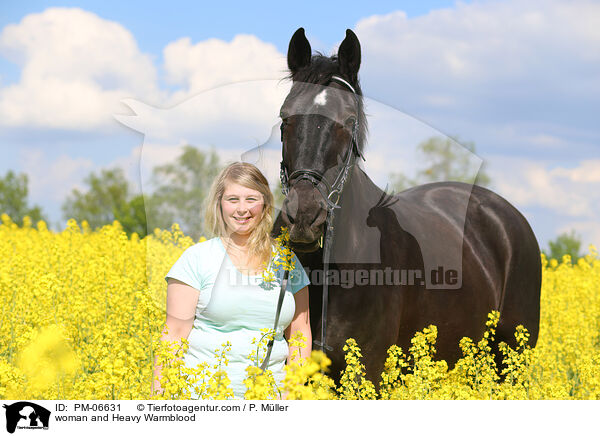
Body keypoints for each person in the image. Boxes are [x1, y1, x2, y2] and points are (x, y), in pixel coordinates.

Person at [152, 162, 311, 399]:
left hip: (271, 398)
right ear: (219, 204)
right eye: (233, 199)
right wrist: (160, 399)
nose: (242, 209)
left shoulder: (287, 262)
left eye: (251, 199)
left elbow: (300, 333)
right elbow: (174, 333)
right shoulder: (196, 259)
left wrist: (294, 393)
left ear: (265, 204)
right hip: (202, 397)